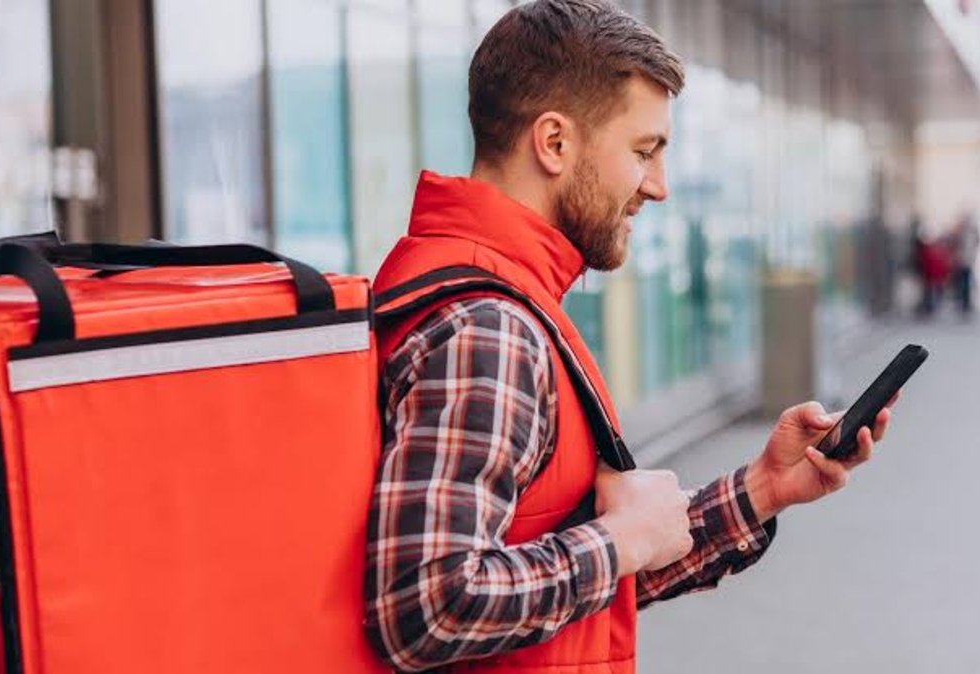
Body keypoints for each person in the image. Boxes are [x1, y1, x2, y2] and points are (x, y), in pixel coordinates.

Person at [364, 2, 896, 671]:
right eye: (642, 152)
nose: (659, 186)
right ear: (554, 143)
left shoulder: (495, 293)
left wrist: (763, 489)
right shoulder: (488, 327)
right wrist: (618, 542)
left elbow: (570, 587)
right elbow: (427, 606)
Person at [945, 212, 980, 317]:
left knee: (966, 283)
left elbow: (976, 243)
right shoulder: (960, 231)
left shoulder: (970, 231)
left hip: (966, 260)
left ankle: (965, 303)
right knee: (962, 282)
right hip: (961, 261)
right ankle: (963, 303)